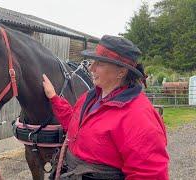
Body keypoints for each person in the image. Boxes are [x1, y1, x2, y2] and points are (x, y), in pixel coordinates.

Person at [43, 35, 169, 179]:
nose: (91, 68)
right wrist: (54, 97)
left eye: (100, 63)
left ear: (121, 72)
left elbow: (150, 175)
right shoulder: (90, 97)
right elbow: (74, 126)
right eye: (93, 61)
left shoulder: (138, 116)